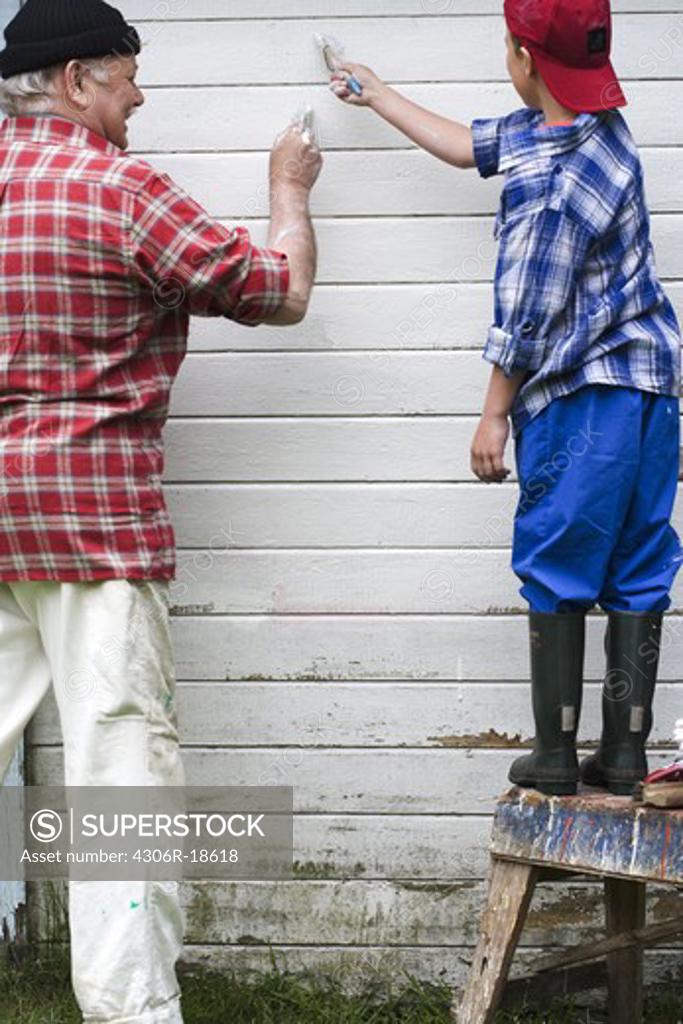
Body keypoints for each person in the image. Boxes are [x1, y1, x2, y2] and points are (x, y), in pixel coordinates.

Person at [0, 0, 321, 1020]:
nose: (139, 94)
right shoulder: (119, 189)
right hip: (93, 520)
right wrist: (286, 192)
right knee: (118, 775)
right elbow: (274, 289)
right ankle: (131, 1008)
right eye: (128, 74)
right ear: (75, 79)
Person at [328, 0, 682, 798]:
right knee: (637, 557)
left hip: (586, 398)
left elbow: (527, 312)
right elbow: (468, 146)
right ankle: (624, 753)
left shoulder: (556, 183)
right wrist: (377, 93)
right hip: (651, 392)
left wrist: (493, 412)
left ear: (522, 56)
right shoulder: (592, 127)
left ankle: (554, 757)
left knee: (557, 555)